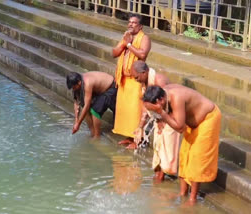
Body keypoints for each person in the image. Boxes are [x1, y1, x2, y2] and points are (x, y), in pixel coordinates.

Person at [142, 85, 221, 203]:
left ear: (160, 101)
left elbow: (179, 127)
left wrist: (162, 113)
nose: (154, 112)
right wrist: (158, 117)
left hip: (208, 119)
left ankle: (192, 199)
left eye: (154, 109)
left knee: (196, 157)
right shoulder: (163, 94)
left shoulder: (176, 97)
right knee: (184, 155)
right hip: (193, 124)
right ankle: (182, 193)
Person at [131, 61, 180, 182]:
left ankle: (163, 175)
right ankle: (159, 174)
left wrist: (162, 120)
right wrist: (140, 127)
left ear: (144, 73)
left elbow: (163, 104)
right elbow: (146, 105)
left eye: (136, 77)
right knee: (157, 146)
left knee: (167, 148)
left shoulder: (159, 81)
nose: (136, 80)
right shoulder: (145, 82)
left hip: (170, 116)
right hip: (159, 117)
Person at [112, 14, 151, 147]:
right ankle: (129, 137)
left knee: (135, 111)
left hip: (136, 80)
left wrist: (128, 44)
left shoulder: (145, 38)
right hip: (123, 80)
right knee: (126, 112)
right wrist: (124, 43)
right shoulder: (126, 37)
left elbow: (142, 54)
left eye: (134, 23)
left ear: (140, 26)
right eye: (129, 22)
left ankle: (137, 140)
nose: (130, 24)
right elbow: (114, 53)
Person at [66, 72, 117, 138]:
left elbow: (87, 105)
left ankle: (97, 136)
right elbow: (76, 102)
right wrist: (76, 120)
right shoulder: (77, 85)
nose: (73, 89)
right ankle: (92, 133)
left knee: (95, 110)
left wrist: (78, 124)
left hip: (111, 88)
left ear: (79, 83)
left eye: (74, 87)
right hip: (99, 90)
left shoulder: (87, 84)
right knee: (86, 111)